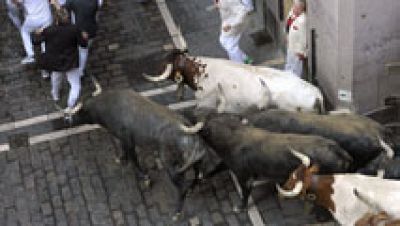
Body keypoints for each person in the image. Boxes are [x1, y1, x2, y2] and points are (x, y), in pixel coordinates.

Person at [33, 4, 88, 112]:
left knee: (56, 77)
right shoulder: (74, 29)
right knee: (75, 85)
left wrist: (38, 33)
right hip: (70, 62)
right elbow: (83, 45)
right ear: (67, 18)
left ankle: (55, 96)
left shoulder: (49, 30)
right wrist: (84, 38)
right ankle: (70, 105)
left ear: (56, 19)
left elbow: (36, 41)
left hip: (55, 62)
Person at [52, 0, 103, 77]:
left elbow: (63, 12)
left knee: (77, 48)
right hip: (91, 28)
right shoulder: (98, 1)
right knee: (84, 50)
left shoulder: (74, 1)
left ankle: (74, 68)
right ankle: (80, 71)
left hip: (78, 29)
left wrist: (55, 3)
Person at [16, 0, 53, 65]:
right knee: (45, 34)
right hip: (48, 17)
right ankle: (46, 53)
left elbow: (17, 3)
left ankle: (30, 54)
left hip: (34, 19)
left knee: (24, 31)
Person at [285, 0, 307, 77]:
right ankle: (286, 79)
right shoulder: (292, 13)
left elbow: (303, 38)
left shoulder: (302, 20)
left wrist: (301, 52)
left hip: (297, 51)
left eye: (296, 7)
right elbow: (288, 25)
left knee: (295, 70)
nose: (293, 8)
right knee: (288, 65)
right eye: (293, 5)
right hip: (290, 45)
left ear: (301, 9)